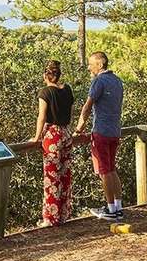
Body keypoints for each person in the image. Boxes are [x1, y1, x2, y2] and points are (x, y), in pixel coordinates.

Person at [75, 51, 125, 221]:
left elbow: (87, 106)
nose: (89, 67)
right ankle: (118, 207)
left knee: (105, 171)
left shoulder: (99, 81)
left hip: (101, 132)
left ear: (100, 64)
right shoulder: (117, 81)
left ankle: (110, 210)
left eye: (91, 64)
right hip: (115, 131)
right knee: (112, 169)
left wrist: (79, 127)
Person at [32, 60, 74, 227]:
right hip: (66, 133)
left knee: (51, 176)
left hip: (53, 136)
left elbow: (42, 116)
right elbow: (70, 112)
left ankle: (50, 217)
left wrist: (36, 138)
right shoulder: (67, 90)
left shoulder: (45, 93)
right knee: (65, 174)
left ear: (45, 76)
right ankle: (63, 214)